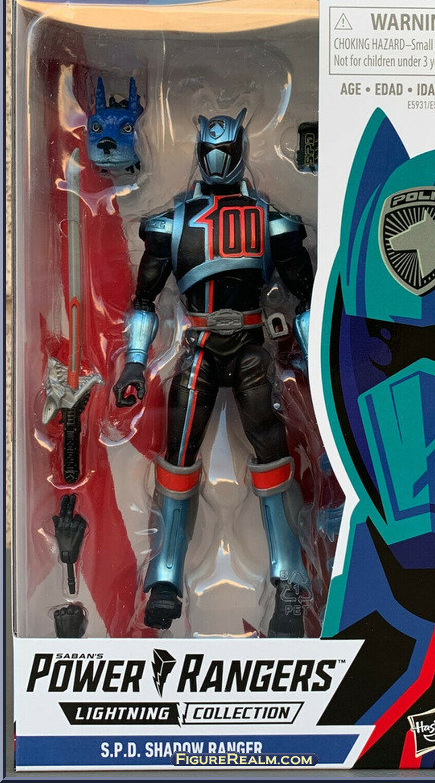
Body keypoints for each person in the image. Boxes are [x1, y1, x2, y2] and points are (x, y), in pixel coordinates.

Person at [114, 109, 313, 637]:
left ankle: (289, 582)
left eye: (226, 150)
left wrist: (315, 360)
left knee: (272, 456)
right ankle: (164, 579)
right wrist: (134, 360)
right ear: (202, 151)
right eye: (212, 151)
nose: (219, 160)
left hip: (248, 348)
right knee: (178, 459)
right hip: (200, 348)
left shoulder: (269, 221)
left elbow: (307, 299)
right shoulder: (173, 223)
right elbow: (144, 302)